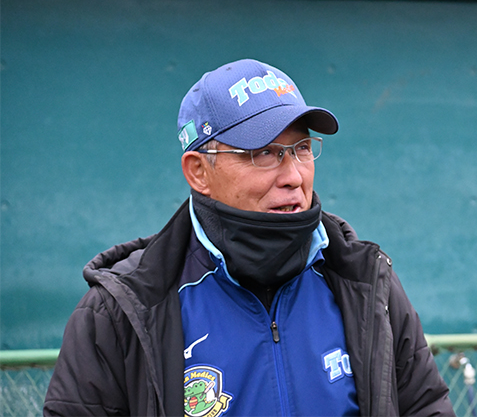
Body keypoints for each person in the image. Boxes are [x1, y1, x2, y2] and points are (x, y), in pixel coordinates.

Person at [44, 59, 455, 417]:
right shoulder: (119, 311)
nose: (294, 176)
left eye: (302, 149)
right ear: (198, 171)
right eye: (265, 153)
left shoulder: (367, 284)